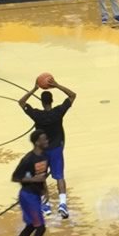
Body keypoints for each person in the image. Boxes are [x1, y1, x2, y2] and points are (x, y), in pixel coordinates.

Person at [18, 81, 76, 220]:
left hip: (42, 151)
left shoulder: (37, 115)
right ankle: (62, 204)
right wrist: (56, 85)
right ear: (52, 101)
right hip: (56, 149)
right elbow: (72, 95)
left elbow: (21, 102)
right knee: (60, 176)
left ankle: (46, 205)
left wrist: (34, 89)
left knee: (41, 177)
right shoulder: (58, 112)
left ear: (42, 102)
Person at [4, 129, 53, 236]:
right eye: (44, 139)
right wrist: (33, 180)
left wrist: (46, 190)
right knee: (40, 227)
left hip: (36, 196)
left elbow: (42, 176)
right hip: (28, 196)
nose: (47, 141)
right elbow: (15, 177)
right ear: (37, 142)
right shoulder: (28, 160)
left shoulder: (45, 156)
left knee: (31, 226)